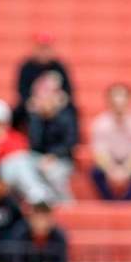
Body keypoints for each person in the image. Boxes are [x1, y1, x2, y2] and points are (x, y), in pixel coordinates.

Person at [0, 99, 54, 203]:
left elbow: (18, 158)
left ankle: (36, 194)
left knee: (19, 161)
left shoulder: (16, 138)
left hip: (10, 181)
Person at [90, 83, 131, 201]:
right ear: (109, 102)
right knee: (96, 172)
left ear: (130, 101)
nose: (119, 105)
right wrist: (111, 170)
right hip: (110, 162)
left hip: (130, 162)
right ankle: (109, 201)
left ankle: (128, 202)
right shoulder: (100, 123)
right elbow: (100, 153)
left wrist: (126, 171)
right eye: (115, 101)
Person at [27, 72, 78, 202]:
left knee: (53, 173)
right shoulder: (36, 118)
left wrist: (53, 156)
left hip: (61, 159)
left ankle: (65, 202)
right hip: (39, 158)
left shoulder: (66, 117)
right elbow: (34, 143)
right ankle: (40, 198)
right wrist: (38, 118)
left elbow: (70, 143)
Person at [13, 33, 74, 130]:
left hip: (55, 106)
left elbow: (68, 92)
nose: (44, 52)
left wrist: (53, 103)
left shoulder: (59, 67)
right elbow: (22, 92)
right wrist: (38, 104)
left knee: (70, 112)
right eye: (41, 48)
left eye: (46, 48)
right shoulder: (26, 67)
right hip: (34, 106)